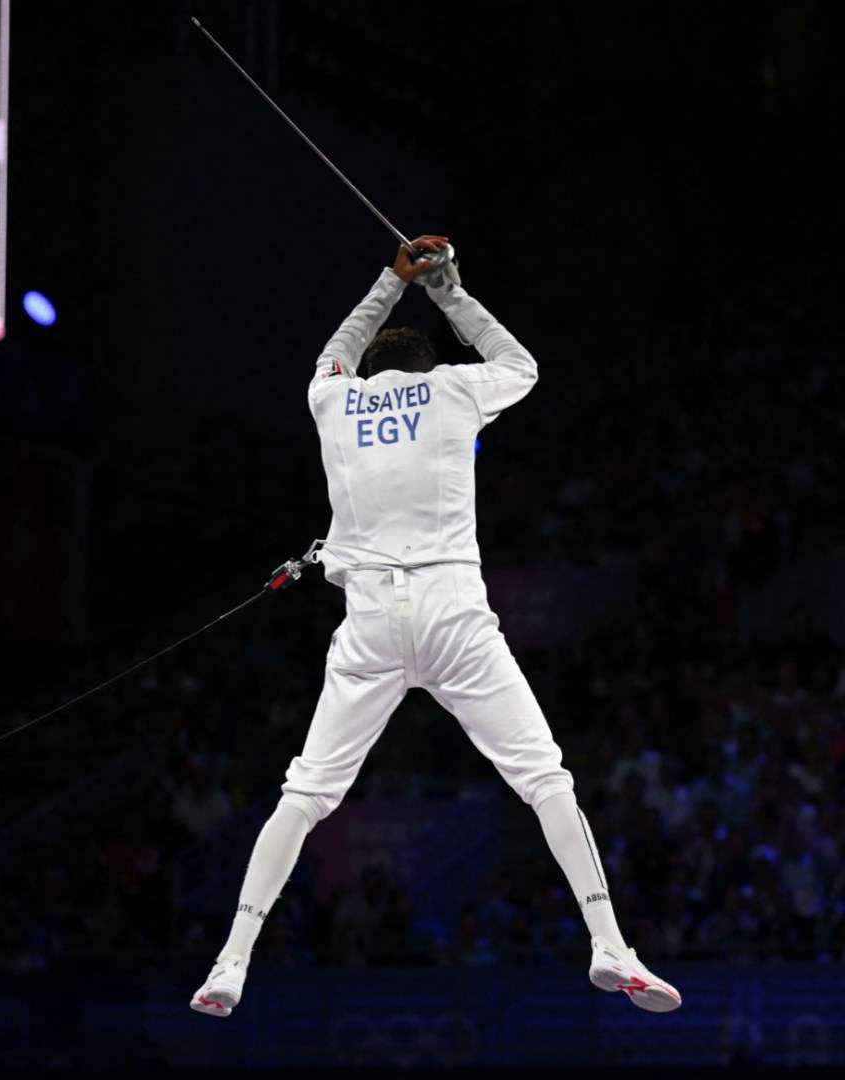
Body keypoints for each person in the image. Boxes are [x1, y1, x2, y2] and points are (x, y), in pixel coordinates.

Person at [190, 237, 680, 1018]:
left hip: (372, 624)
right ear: (426, 366)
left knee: (306, 793)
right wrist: (449, 291)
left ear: (370, 371)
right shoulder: (452, 390)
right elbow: (522, 365)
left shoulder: (333, 398)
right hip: (453, 612)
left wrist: (392, 279)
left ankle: (230, 962)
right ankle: (611, 945)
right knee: (545, 780)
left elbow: (336, 349)